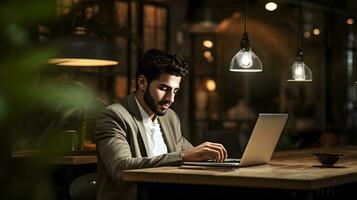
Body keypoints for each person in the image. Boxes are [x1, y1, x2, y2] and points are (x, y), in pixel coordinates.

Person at [95, 49, 227, 200]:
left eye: (175, 91)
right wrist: (183, 156)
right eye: (164, 88)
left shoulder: (169, 118)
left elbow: (192, 154)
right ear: (142, 82)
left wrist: (213, 156)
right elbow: (121, 168)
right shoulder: (114, 116)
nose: (170, 99)